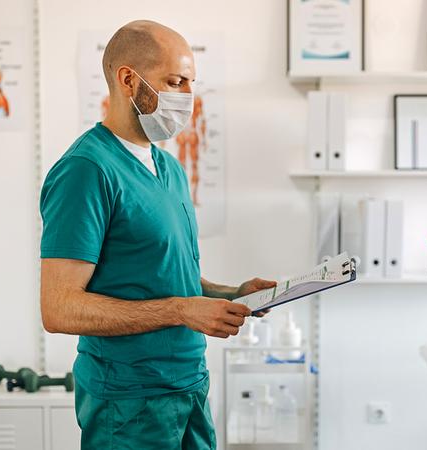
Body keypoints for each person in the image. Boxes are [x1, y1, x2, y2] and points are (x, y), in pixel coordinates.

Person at [39, 20, 275, 449]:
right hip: (129, 401)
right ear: (128, 80)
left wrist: (230, 294)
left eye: (190, 83)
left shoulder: (169, 168)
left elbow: (162, 273)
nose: (187, 97)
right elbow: (60, 308)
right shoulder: (86, 171)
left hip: (189, 383)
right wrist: (181, 311)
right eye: (175, 81)